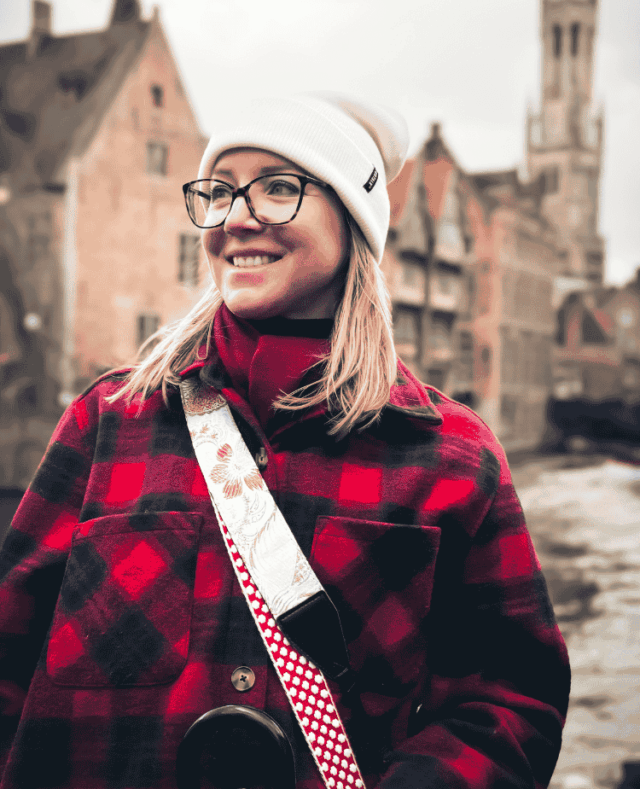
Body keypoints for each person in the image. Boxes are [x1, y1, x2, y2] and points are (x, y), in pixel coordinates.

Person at [0, 92, 570, 789]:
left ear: (353, 222)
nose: (237, 217)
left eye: (278, 187)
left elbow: (510, 699)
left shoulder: (452, 458)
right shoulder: (107, 421)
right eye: (221, 191)